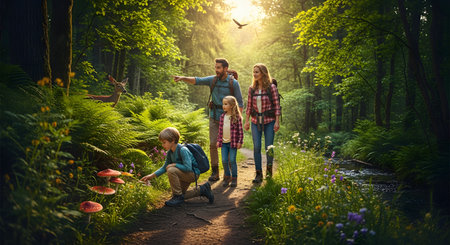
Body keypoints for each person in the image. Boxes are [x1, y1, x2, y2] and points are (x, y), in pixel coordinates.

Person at [173, 58, 244, 182]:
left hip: (229, 119)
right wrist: (183, 78)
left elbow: (240, 103)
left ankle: (229, 172)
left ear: (225, 69)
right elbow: (197, 80)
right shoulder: (213, 80)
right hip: (214, 116)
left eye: (219, 67)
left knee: (228, 145)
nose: (216, 70)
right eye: (215, 67)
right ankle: (215, 171)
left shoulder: (233, 83)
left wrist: (237, 120)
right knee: (212, 144)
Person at [140, 127, 214, 206]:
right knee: (182, 195)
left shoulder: (183, 150)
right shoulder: (170, 152)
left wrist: (175, 165)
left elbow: (188, 168)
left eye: (164, 142)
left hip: (192, 174)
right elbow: (164, 167)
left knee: (171, 170)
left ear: (172, 140)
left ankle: (177, 197)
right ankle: (202, 190)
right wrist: (151, 176)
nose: (162, 145)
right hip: (184, 174)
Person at [244, 64, 281, 183]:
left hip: (269, 122)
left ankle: (269, 173)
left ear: (263, 73)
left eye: (257, 72)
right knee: (256, 147)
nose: (254, 74)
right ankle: (258, 174)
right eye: (253, 72)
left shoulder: (271, 88)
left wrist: (277, 122)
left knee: (268, 147)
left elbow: (276, 106)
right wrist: (247, 121)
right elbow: (249, 106)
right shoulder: (251, 89)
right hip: (255, 121)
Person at [216, 96, 243, 187]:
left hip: (233, 143)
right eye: (223, 104)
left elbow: (240, 131)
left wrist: (240, 141)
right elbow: (220, 131)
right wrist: (218, 140)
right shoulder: (222, 117)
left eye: (226, 104)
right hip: (223, 143)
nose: (223, 106)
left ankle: (234, 178)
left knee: (232, 160)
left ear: (231, 106)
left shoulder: (237, 117)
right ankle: (227, 176)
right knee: (224, 160)